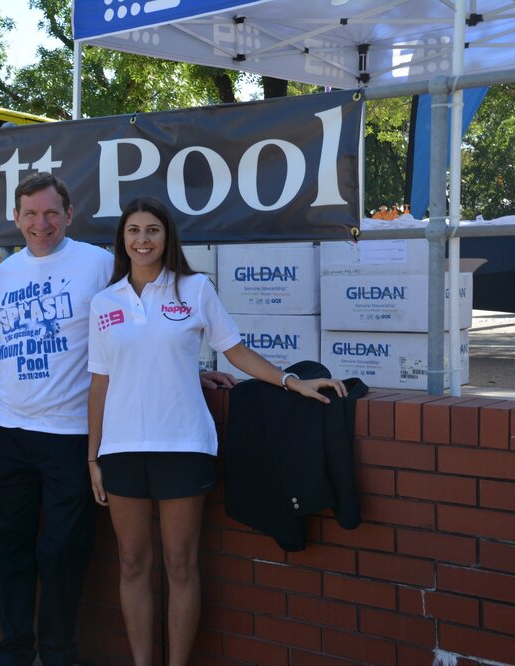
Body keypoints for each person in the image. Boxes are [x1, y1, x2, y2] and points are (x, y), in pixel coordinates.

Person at [86, 196, 347, 666]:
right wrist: (93, 457)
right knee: (132, 564)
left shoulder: (195, 288)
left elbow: (237, 352)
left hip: (185, 446)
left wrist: (292, 380)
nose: (142, 240)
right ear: (122, 239)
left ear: (167, 238)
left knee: (181, 565)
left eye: (152, 231)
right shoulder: (105, 301)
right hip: (122, 451)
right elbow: (101, 383)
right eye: (133, 231)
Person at [0, 172, 113, 666]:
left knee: (62, 552)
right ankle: (14, 651)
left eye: (51, 212)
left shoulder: (99, 265)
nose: (42, 223)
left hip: (70, 435)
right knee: (7, 546)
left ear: (70, 214)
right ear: (16, 219)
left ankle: (58, 652)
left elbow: (131, 327)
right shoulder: (3, 275)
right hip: (8, 432)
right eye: (31, 214)